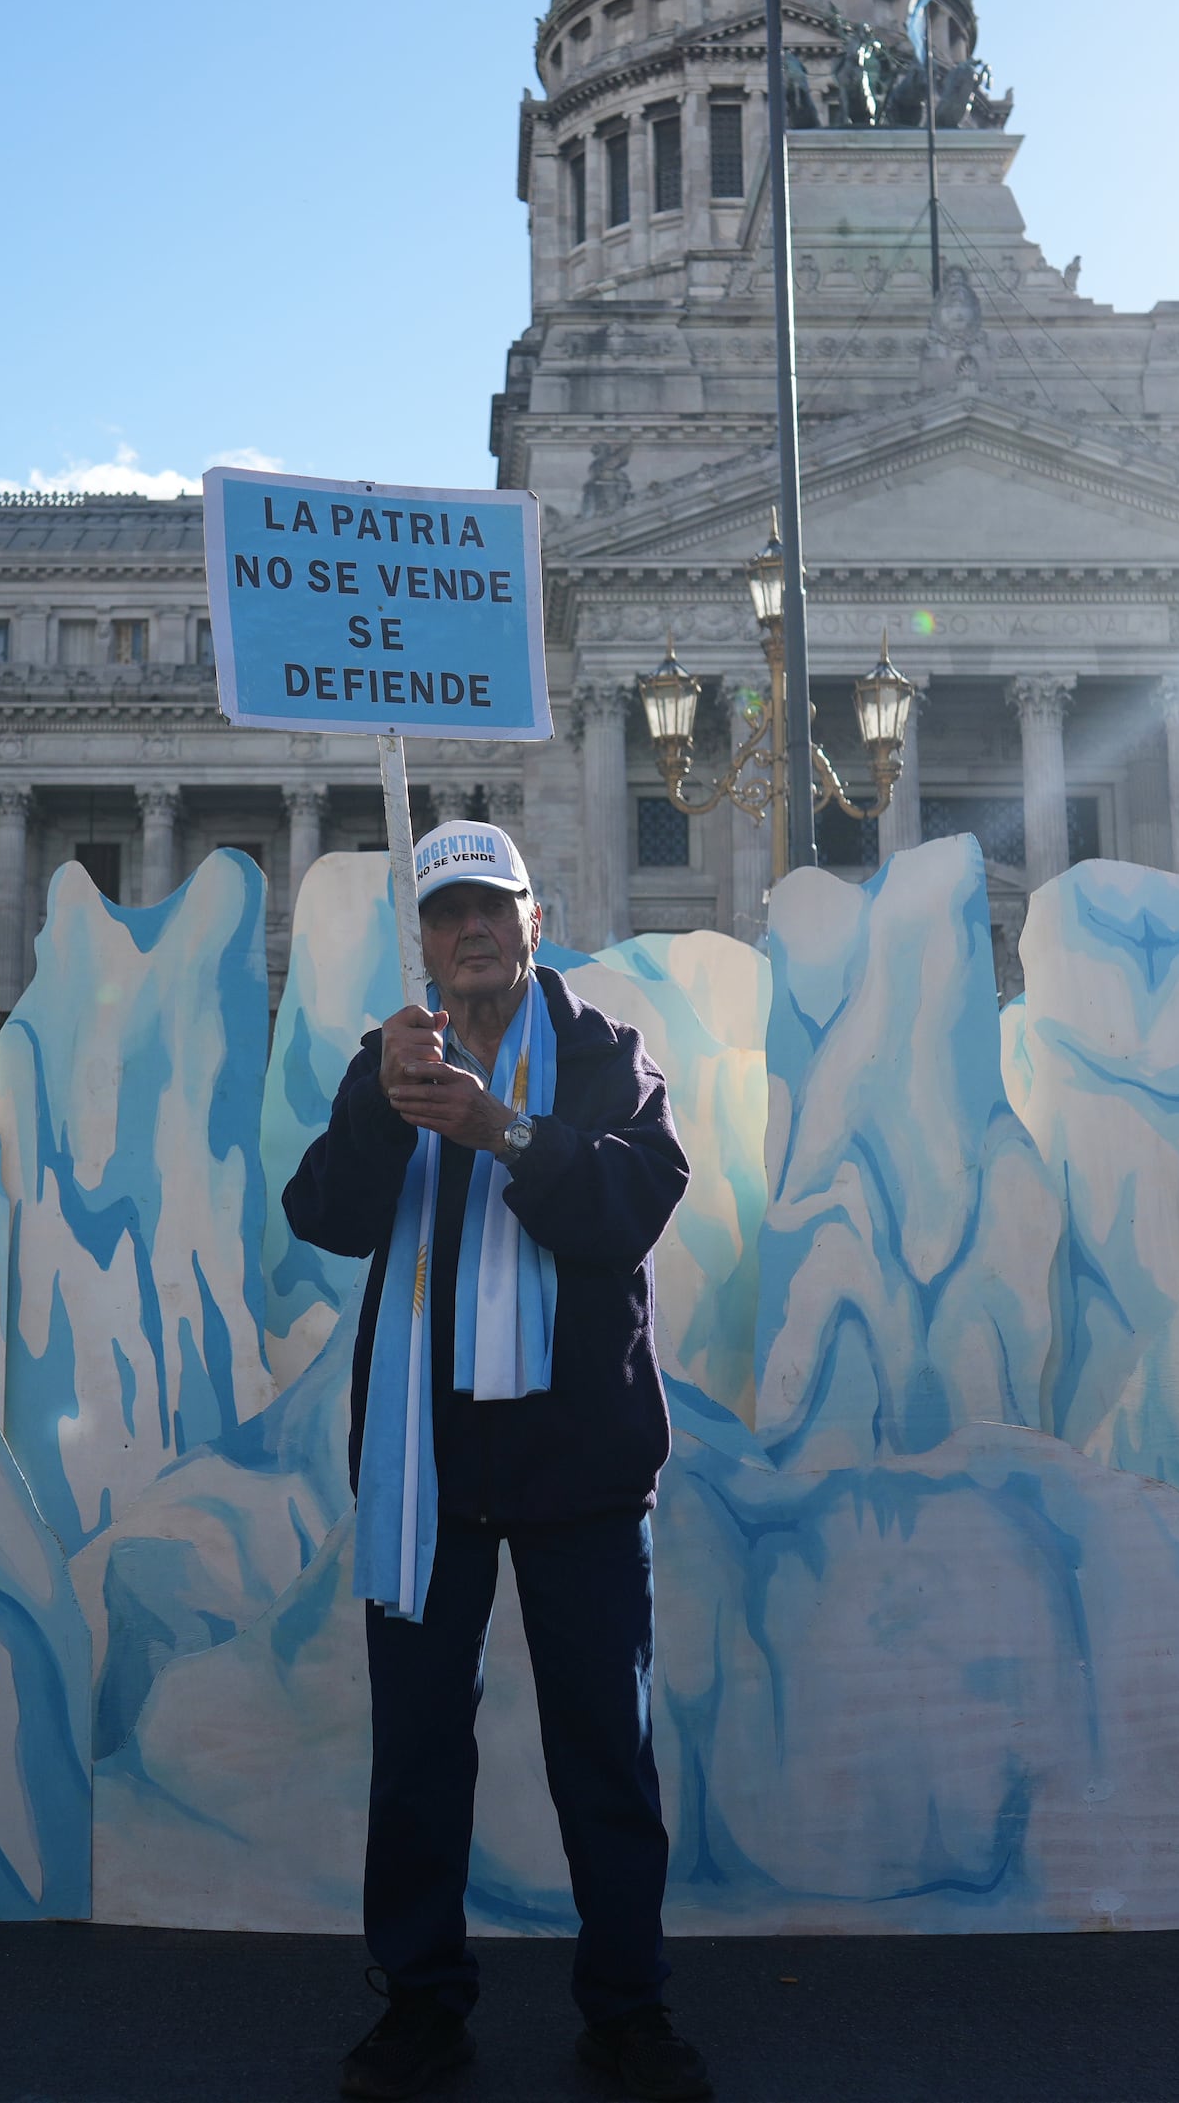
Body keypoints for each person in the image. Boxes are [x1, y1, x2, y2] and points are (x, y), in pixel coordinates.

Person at [283, 820, 707, 2102]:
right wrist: (379, 1102)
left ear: (535, 919)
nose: (468, 929)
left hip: (582, 1464)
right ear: (420, 940)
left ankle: (628, 2011)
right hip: (427, 1463)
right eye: (443, 912)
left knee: (605, 1751)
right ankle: (421, 2006)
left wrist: (505, 1131)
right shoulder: (393, 1058)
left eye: (490, 907)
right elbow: (325, 1215)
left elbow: (634, 1203)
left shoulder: (603, 1053)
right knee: (417, 1756)